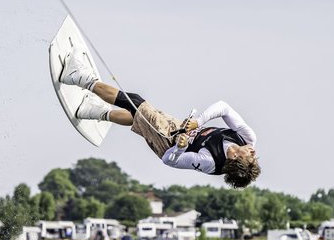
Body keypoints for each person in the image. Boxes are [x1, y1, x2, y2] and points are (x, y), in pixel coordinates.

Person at [60, 48, 261, 188]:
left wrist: (180, 147)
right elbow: (224, 107)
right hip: (180, 127)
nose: (253, 151)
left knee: (136, 103)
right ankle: (90, 111)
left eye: (249, 156)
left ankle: (77, 76)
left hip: (168, 143)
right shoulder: (248, 139)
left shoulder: (210, 162)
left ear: (235, 158)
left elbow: (169, 160)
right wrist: (199, 122)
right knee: (137, 117)